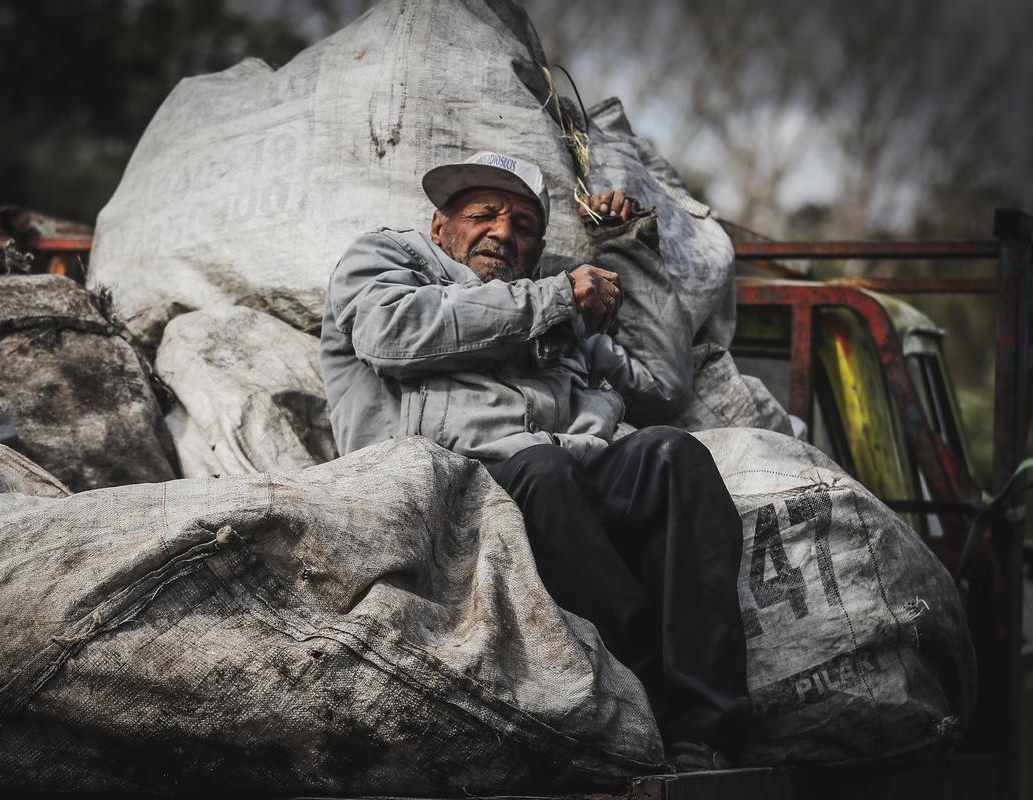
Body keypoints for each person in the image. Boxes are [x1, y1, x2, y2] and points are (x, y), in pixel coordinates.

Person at [320, 151, 748, 771]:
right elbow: (389, 335)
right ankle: (644, 691)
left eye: (523, 224)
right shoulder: (391, 260)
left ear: (537, 245)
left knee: (672, 455)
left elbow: (663, 386)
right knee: (543, 471)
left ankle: (707, 732)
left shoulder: (557, 305)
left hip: (570, 473)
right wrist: (552, 297)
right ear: (441, 228)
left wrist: (624, 249)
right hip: (452, 489)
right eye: (483, 214)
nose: (502, 231)